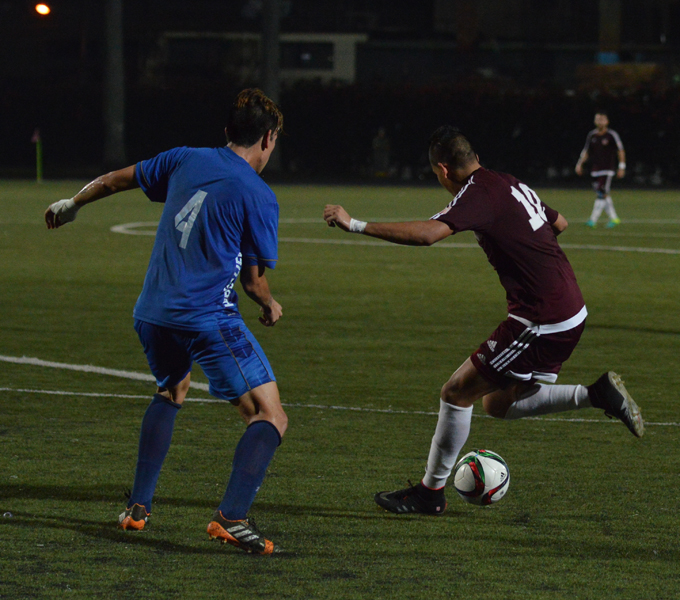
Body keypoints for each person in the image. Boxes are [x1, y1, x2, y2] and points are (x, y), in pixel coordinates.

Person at [323, 125, 643, 516]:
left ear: (443, 169)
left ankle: (429, 493)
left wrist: (355, 224)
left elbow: (428, 235)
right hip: (569, 310)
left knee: (456, 392)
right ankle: (597, 394)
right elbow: (558, 224)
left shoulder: (478, 193)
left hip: (539, 318)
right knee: (497, 403)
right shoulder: (508, 183)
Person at [45, 89, 287, 554]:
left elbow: (117, 179)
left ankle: (138, 509)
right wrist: (269, 305)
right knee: (270, 416)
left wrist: (72, 203)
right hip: (206, 319)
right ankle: (231, 517)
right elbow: (254, 283)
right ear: (269, 138)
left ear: (226, 132)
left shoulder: (184, 158)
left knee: (172, 390)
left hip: (152, 314)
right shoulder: (259, 195)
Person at [575, 111, 626, 228]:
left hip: (607, 170)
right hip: (595, 170)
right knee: (603, 194)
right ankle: (614, 218)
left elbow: (621, 150)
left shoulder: (611, 135)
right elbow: (586, 151)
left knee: (601, 193)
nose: (600, 121)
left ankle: (593, 220)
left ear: (607, 121)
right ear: (594, 121)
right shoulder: (592, 135)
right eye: (598, 119)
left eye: (602, 119)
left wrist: (622, 167)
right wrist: (579, 164)